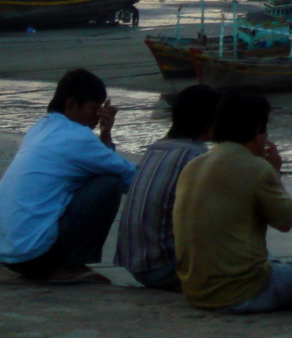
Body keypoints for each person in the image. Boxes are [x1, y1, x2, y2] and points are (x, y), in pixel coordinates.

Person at [173, 90, 292, 313]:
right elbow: (285, 221)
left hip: (195, 290)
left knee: (273, 261)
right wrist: (274, 172)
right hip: (241, 293)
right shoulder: (257, 168)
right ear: (258, 132)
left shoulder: (194, 165)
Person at [0, 69, 136, 285]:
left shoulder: (41, 127)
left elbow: (99, 162)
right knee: (109, 184)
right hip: (34, 253)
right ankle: (71, 264)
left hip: (10, 252)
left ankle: (60, 262)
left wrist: (105, 133)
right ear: (72, 105)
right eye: (94, 108)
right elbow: (129, 176)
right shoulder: (77, 138)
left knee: (101, 177)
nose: (98, 115)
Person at [113, 84, 219, 290]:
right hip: (164, 267)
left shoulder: (155, 149)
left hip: (137, 265)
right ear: (209, 122)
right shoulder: (195, 157)